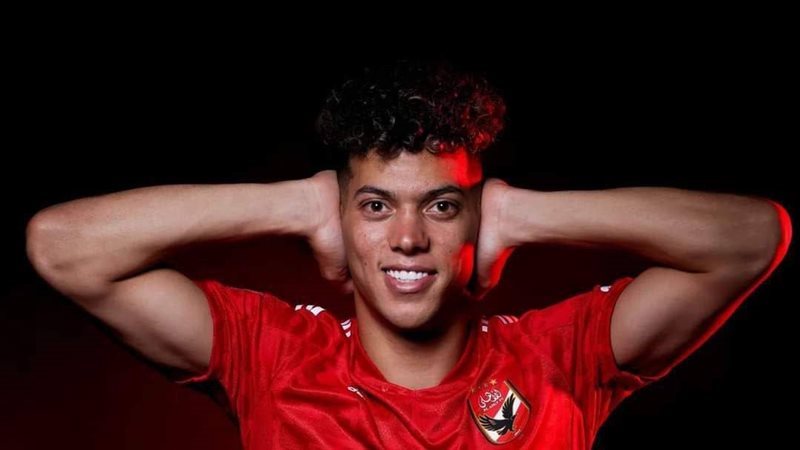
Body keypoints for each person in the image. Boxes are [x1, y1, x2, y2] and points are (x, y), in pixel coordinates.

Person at [26, 60, 792, 449]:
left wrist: (523, 215)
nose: (408, 238)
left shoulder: (562, 357)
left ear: (474, 220)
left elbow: (752, 236)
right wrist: (294, 204)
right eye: (375, 206)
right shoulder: (270, 356)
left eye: (441, 206)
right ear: (342, 219)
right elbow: (62, 247)